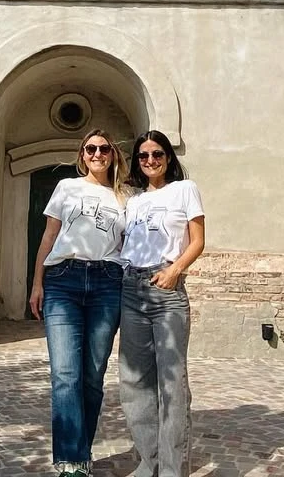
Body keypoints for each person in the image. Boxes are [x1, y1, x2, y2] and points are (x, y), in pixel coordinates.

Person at [30, 128, 129, 477]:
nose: (97, 153)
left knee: (92, 376)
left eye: (104, 148)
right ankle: (71, 461)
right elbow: (49, 235)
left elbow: (133, 247)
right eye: (91, 149)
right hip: (63, 280)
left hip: (107, 283)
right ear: (82, 154)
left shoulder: (125, 197)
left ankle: (81, 451)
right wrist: (37, 282)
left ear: (113, 154)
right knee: (65, 374)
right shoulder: (66, 187)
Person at [118, 130, 206, 477]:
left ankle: (172, 470)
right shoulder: (134, 200)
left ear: (168, 157)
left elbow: (197, 240)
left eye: (157, 154)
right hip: (131, 287)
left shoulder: (185, 190)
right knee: (135, 380)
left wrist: (176, 270)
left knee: (172, 383)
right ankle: (148, 461)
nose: (151, 160)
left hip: (166, 290)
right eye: (144, 156)